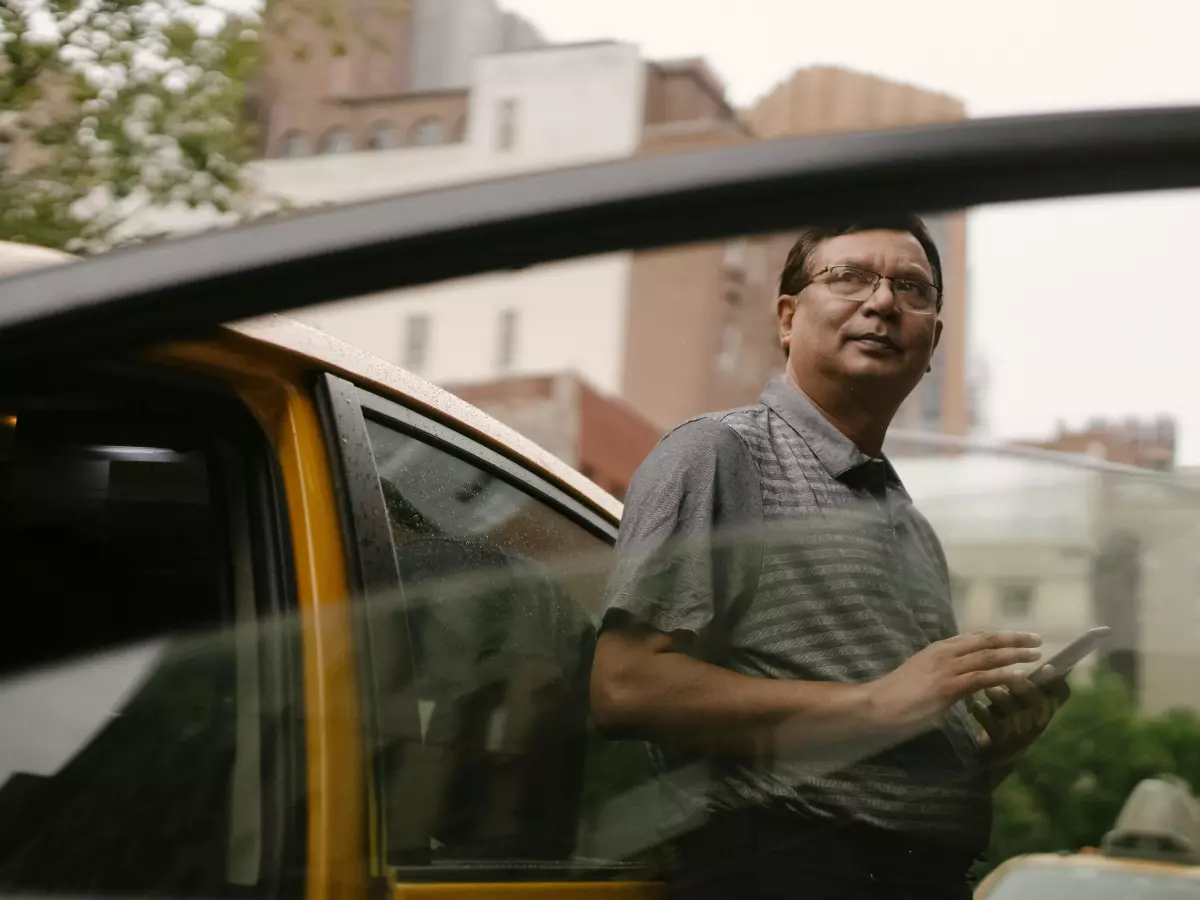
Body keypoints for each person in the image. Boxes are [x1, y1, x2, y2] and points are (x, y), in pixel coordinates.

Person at [590, 217, 1069, 899]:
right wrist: (879, 701)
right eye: (848, 278)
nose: (882, 303)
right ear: (787, 318)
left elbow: (881, 751)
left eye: (912, 288)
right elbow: (625, 687)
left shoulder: (909, 523)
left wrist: (995, 751)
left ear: (932, 340)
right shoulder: (719, 452)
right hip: (784, 871)